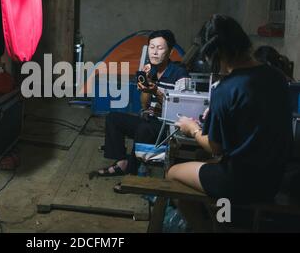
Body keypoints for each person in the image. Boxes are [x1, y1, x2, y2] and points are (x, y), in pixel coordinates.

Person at [168, 15, 293, 231]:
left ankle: (213, 229)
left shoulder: (226, 88)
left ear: (217, 54)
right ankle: (222, 220)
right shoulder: (277, 77)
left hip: (241, 181)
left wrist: (192, 129)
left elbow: (216, 146)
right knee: (203, 161)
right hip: (273, 179)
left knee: (173, 173)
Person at [95, 30, 189, 184]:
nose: (154, 52)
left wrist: (156, 91)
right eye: (151, 47)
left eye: (160, 48)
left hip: (168, 127)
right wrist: (146, 85)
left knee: (143, 129)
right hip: (150, 120)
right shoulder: (150, 70)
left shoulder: (180, 74)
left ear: (170, 51)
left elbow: (179, 111)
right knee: (113, 118)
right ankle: (122, 162)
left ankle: (131, 174)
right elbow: (144, 105)